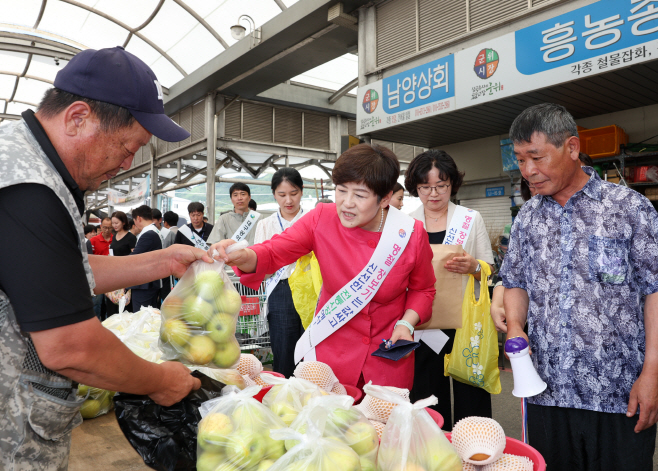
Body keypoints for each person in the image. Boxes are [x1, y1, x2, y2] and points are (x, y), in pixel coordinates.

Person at [0, 46, 208, 470]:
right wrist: (160, 381)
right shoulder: (28, 190)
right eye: (126, 147)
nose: (126, 164)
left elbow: (59, 277)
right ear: (78, 117)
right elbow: (69, 347)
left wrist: (164, 261)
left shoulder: (29, 166)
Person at [500, 103, 658, 470]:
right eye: (521, 160)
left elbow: (654, 290)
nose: (528, 172)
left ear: (571, 147)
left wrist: (652, 372)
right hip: (546, 392)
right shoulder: (527, 218)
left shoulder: (628, 208)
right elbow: (516, 283)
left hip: (619, 394)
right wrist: (515, 325)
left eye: (537, 157)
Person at [210, 144, 436, 390]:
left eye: (360, 195)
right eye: (341, 190)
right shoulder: (322, 218)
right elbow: (275, 250)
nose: (346, 204)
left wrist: (406, 324)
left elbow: (423, 289)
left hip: (387, 355)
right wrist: (242, 255)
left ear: (384, 199)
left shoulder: (410, 233)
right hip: (331, 357)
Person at [405, 149, 495, 430]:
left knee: (471, 389)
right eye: (425, 187)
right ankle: (434, 450)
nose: (433, 194)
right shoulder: (406, 222)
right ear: (415, 187)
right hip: (424, 321)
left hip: (464, 320)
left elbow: (489, 273)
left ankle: (476, 448)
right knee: (427, 394)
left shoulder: (470, 218)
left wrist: (473, 267)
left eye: (441, 186)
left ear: (452, 184)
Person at [253, 168, 307, 378]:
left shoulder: (312, 220)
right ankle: (283, 393)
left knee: (310, 348)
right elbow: (259, 261)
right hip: (281, 289)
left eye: (293, 193)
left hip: (311, 288)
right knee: (284, 346)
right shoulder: (266, 225)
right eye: (282, 195)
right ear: (274, 194)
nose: (288, 201)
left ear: (302, 191)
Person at [128, 205, 164, 311]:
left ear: (138, 218)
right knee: (149, 316)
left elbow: (135, 257)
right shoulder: (154, 231)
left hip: (145, 284)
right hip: (150, 282)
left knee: (141, 317)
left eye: (134, 221)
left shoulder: (149, 234)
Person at [105, 211, 136, 316]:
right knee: (112, 304)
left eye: (116, 223)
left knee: (124, 304)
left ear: (123, 222)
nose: (114, 226)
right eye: (113, 223)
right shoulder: (114, 236)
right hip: (114, 274)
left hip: (126, 275)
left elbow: (134, 257)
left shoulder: (130, 237)